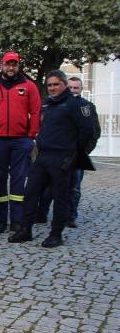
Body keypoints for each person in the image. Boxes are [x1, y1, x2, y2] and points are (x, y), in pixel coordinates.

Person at [9, 70, 94, 248]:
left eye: (56, 84)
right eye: (49, 85)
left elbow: (87, 132)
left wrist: (75, 155)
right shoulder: (47, 104)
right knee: (31, 193)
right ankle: (26, 229)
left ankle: (56, 234)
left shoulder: (76, 105)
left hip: (63, 157)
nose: (52, 88)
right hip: (43, 156)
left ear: (64, 84)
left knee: (60, 197)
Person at [0, 51, 40, 233]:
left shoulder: (29, 86)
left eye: (14, 64)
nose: (11, 67)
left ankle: (17, 220)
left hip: (20, 140)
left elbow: (35, 112)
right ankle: (1, 219)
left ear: (18, 66)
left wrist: (31, 136)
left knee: (19, 181)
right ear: (1, 65)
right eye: (8, 64)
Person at [37, 76, 101, 227]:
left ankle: (70, 216)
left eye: (76, 88)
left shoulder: (87, 106)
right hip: (56, 155)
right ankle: (41, 213)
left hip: (77, 155)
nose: (72, 91)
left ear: (80, 90)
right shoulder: (50, 104)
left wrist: (82, 151)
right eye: (70, 88)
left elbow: (93, 132)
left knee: (74, 188)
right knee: (48, 187)